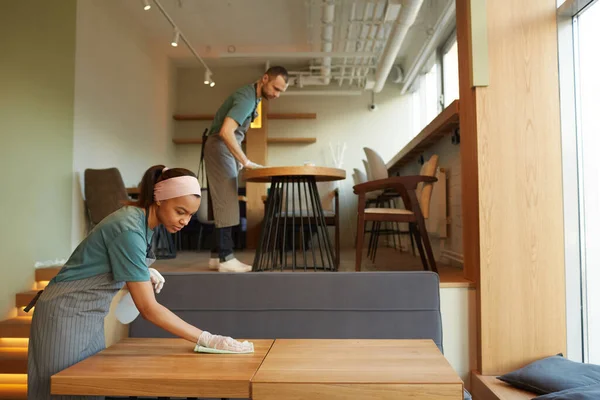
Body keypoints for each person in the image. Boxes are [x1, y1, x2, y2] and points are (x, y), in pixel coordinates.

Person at [27, 165, 253, 400]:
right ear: (159, 199)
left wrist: (137, 275)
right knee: (61, 391)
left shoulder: (142, 223)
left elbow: (98, 270)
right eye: (180, 211)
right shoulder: (129, 229)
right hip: (64, 313)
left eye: (190, 215)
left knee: (87, 390)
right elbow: (148, 308)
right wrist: (208, 339)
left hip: (89, 314)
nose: (185, 221)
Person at [204, 66, 288, 273]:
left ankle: (216, 257)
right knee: (227, 200)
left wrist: (238, 159)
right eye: (275, 89)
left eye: (281, 92)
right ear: (265, 78)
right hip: (219, 146)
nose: (277, 95)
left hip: (222, 148)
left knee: (223, 200)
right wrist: (246, 160)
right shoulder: (247, 98)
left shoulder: (255, 98)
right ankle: (226, 258)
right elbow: (226, 132)